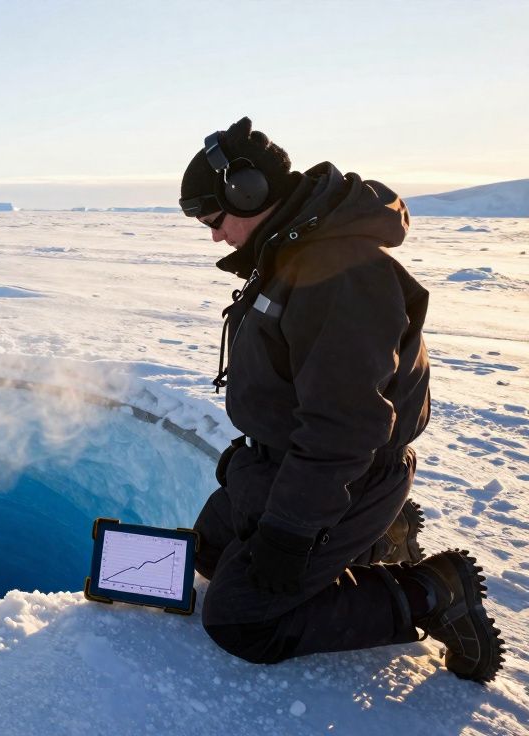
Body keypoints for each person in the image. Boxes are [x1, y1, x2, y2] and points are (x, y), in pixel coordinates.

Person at [179, 118, 503, 682]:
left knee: (239, 620)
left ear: (249, 192)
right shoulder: (290, 255)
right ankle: (375, 535)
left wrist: (290, 533)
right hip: (289, 461)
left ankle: (434, 592)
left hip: (346, 470)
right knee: (205, 555)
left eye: (214, 219)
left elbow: (344, 429)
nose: (214, 236)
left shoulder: (336, 276)